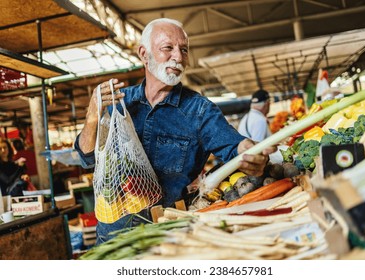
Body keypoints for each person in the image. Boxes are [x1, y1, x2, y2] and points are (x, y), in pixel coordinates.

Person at [74, 18, 274, 244]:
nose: (178, 57)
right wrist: (92, 117)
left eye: (184, 50)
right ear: (144, 54)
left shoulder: (199, 110)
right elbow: (87, 158)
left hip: (166, 235)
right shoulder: (118, 102)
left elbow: (233, 145)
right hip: (111, 236)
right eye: (167, 48)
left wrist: (250, 152)